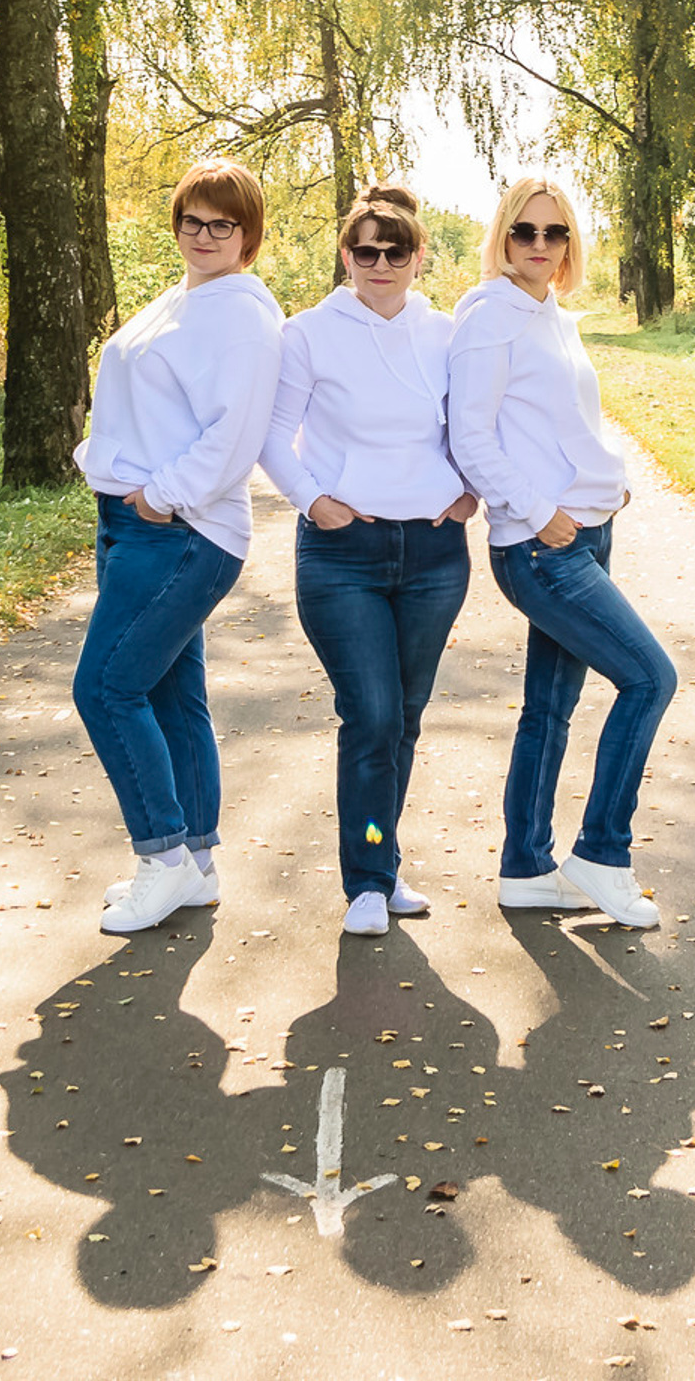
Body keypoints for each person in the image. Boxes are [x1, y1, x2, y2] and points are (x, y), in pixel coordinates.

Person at [447, 172, 675, 930]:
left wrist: (609, 482)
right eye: (524, 232)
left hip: (588, 530)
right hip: (544, 550)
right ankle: (603, 854)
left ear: (569, 243)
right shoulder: (491, 316)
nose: (539, 246)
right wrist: (539, 511)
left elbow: (568, 424)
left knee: (550, 708)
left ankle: (526, 868)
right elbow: (470, 434)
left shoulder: (554, 317)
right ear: (502, 237)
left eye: (554, 233)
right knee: (649, 679)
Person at [262, 182, 480, 938]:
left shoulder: (448, 334)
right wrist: (312, 500)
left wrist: (470, 490)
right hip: (341, 552)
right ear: (346, 256)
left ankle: (380, 863)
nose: (378, 263)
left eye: (395, 251)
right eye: (365, 251)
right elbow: (272, 433)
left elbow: (479, 424)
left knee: (406, 719)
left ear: (419, 259)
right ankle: (365, 880)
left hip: (432, 553)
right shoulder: (307, 334)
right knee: (373, 714)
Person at [72, 158, 283, 935]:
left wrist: (159, 496)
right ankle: (192, 861)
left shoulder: (241, 315)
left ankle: (157, 857)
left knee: (105, 689)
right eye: (192, 220)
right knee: (168, 693)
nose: (203, 234)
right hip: (137, 522)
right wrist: (101, 458)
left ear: (248, 235)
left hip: (178, 531)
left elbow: (236, 435)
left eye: (221, 224)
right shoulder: (189, 297)